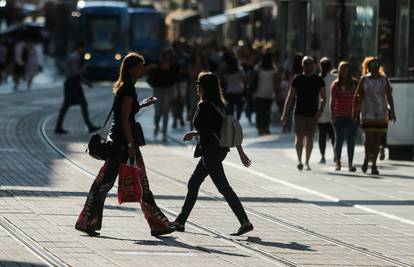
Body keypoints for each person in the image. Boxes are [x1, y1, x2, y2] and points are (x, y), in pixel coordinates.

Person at [75, 52, 175, 237]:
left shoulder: (124, 87)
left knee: (103, 183)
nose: (142, 70)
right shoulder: (128, 88)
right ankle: (158, 224)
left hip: (118, 143)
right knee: (138, 183)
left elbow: (126, 112)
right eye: (139, 67)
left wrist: (142, 105)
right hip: (124, 144)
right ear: (130, 69)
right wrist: (130, 144)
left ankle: (87, 220)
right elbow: (123, 118)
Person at [171, 72, 253, 236]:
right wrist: (240, 151)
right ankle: (181, 221)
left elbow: (207, 130)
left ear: (204, 87)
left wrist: (194, 133)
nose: (197, 87)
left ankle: (245, 222)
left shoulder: (205, 106)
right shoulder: (219, 104)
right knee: (193, 183)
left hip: (210, 152)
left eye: (198, 84)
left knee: (224, 188)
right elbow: (224, 129)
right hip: (217, 150)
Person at [281, 56, 326, 171]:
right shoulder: (297, 79)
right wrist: (284, 114)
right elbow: (290, 97)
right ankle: (299, 160)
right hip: (299, 112)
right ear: (302, 65)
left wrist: (320, 110)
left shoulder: (318, 79)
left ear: (314, 65)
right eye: (306, 64)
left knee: (310, 137)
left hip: (312, 113)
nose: (308, 66)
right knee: (299, 136)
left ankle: (307, 162)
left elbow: (323, 97)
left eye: (310, 63)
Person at [353, 57, 396, 175]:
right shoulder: (364, 80)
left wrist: (392, 111)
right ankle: (367, 158)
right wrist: (355, 112)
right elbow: (358, 96)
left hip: (381, 113)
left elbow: (389, 96)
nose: (375, 69)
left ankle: (374, 165)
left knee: (377, 139)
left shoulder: (384, 80)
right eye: (372, 67)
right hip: (368, 113)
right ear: (369, 68)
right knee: (369, 139)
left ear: (379, 68)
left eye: (377, 67)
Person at [54, 42, 99, 134]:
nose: (83, 51)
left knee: (66, 106)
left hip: (71, 83)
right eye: (82, 49)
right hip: (73, 84)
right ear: (79, 48)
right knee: (82, 104)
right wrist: (84, 68)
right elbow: (75, 73)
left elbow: (75, 74)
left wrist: (86, 82)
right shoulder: (75, 57)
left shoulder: (74, 57)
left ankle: (58, 126)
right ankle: (89, 126)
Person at [331, 61, 358, 171]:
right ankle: (338, 162)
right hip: (339, 115)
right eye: (342, 69)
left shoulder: (355, 83)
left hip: (351, 116)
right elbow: (332, 101)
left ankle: (350, 164)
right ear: (339, 71)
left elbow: (358, 99)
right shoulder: (335, 85)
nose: (345, 71)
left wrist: (357, 113)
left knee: (351, 139)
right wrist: (332, 114)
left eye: (347, 69)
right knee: (339, 139)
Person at [147, 49, 178, 142]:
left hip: (169, 89)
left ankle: (164, 133)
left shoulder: (174, 66)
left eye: (170, 55)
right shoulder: (157, 64)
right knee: (158, 112)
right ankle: (156, 126)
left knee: (165, 112)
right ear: (164, 56)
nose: (168, 57)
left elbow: (176, 78)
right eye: (167, 55)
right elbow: (150, 73)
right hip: (158, 89)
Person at [254, 51, 278, 135]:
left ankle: (260, 128)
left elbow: (254, 76)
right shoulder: (273, 70)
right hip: (269, 93)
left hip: (259, 92)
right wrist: (275, 93)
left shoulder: (258, 68)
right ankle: (266, 128)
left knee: (260, 111)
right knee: (267, 112)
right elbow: (275, 83)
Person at [317, 57, 336, 164]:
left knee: (322, 134)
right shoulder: (335, 78)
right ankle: (335, 154)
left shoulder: (318, 78)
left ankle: (323, 156)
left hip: (320, 109)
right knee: (333, 134)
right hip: (333, 109)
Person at [219, 51, 245, 120]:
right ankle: (238, 118)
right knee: (239, 106)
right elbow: (243, 80)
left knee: (230, 107)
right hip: (239, 90)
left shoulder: (226, 73)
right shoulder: (240, 71)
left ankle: (232, 120)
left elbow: (224, 81)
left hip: (229, 91)